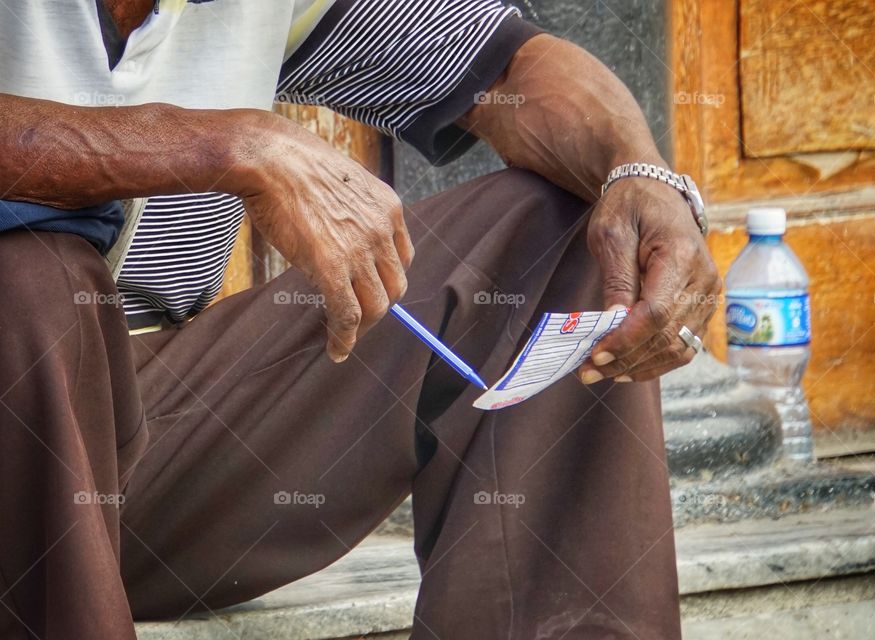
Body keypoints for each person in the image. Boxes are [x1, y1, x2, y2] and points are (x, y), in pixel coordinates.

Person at [0, 1, 720, 638]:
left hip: (148, 453)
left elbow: (508, 68)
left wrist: (640, 173)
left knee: (576, 226)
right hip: (20, 432)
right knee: (33, 278)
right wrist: (229, 145)